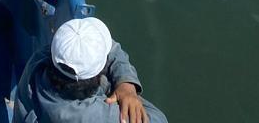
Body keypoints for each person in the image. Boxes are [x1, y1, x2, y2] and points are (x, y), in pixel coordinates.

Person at [13, 17, 167, 123]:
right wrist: (129, 91)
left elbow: (111, 47)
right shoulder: (89, 115)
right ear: (97, 76)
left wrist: (125, 83)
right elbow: (158, 119)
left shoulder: (40, 61)